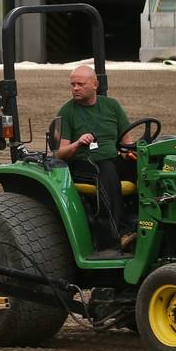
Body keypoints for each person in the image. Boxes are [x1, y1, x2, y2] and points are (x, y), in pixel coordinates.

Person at [54, 65, 136, 252]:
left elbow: (127, 142)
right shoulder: (67, 111)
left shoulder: (112, 105)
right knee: (106, 170)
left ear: (95, 84)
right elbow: (61, 153)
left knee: (144, 166)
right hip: (84, 164)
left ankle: (149, 224)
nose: (75, 88)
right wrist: (78, 143)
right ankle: (116, 235)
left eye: (80, 84)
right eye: (72, 84)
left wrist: (130, 155)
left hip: (111, 159)